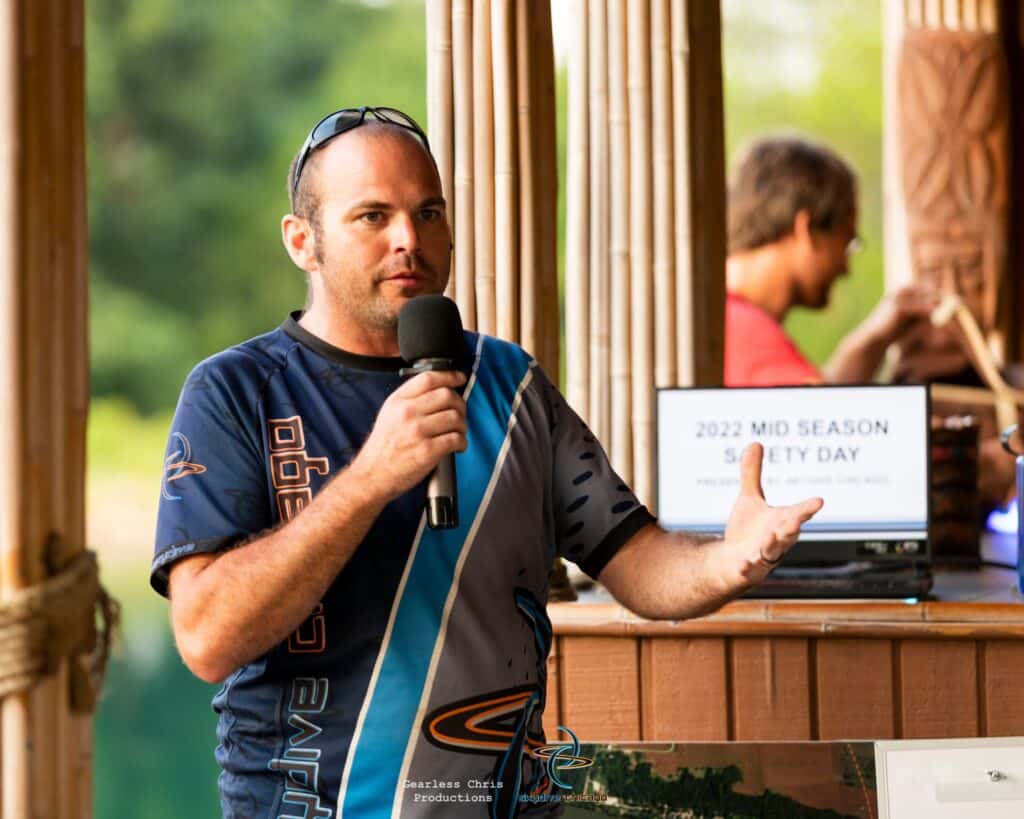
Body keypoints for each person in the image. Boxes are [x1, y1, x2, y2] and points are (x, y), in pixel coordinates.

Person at [152, 106, 823, 818]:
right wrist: (373, 476)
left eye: (428, 211)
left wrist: (731, 560)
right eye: (372, 217)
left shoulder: (509, 383)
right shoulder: (234, 391)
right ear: (302, 241)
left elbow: (639, 562)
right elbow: (207, 638)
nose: (408, 239)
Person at [724, 135, 944, 387]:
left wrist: (877, 336)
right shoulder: (743, 332)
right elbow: (819, 419)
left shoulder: (728, 323)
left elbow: (822, 403)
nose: (845, 268)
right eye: (847, 243)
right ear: (806, 231)